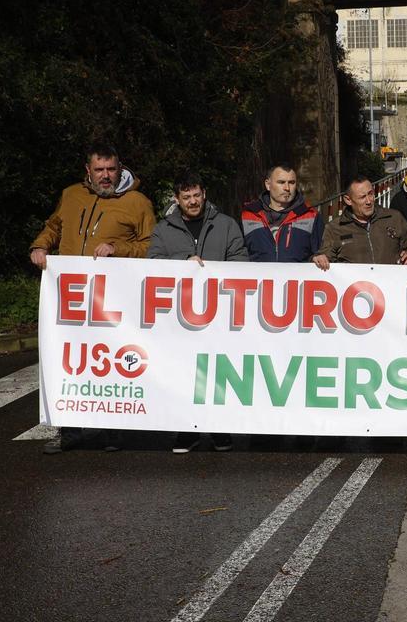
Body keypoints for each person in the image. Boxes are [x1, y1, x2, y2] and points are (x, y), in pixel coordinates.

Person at [30, 142, 155, 455]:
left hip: (115, 297)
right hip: (72, 297)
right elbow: (54, 226)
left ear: (120, 168)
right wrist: (40, 246)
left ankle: (113, 431)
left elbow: (152, 247)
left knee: (112, 359)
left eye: (111, 169)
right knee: (70, 361)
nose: (105, 176)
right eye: (99, 170)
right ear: (88, 171)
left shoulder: (138, 202)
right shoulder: (71, 195)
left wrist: (118, 249)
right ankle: (68, 431)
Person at [148, 172, 248, 454]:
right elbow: (153, 262)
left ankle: (219, 430)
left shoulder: (226, 225)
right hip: (180, 317)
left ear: (204, 194)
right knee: (183, 372)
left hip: (219, 314)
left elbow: (240, 259)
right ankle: (186, 431)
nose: (193, 201)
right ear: (177, 200)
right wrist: (184, 263)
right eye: (186, 197)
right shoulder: (163, 230)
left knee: (217, 372)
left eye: (196, 195)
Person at [314, 175, 407, 268]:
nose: (369, 201)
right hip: (356, 291)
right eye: (362, 197)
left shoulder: (394, 218)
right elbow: (324, 257)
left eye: (370, 194)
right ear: (348, 200)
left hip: (391, 289)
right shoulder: (335, 228)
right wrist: (320, 259)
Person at [242, 163, 323, 263]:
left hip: (296, 277)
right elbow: (239, 255)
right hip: (259, 277)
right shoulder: (248, 215)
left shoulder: (311, 215)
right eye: (281, 182)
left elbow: (321, 252)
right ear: (268, 185)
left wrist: (315, 258)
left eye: (292, 182)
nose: (287, 188)